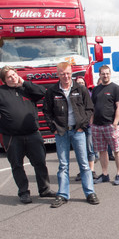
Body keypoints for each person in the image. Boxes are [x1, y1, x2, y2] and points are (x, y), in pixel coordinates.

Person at [0, 66, 54, 204]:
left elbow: (43, 92)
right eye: (9, 77)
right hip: (12, 136)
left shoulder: (26, 89)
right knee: (17, 165)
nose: (12, 78)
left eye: (13, 75)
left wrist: (24, 83)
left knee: (40, 163)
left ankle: (45, 189)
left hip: (32, 133)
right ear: (4, 80)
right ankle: (24, 193)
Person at [42, 62, 99, 208]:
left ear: (71, 72)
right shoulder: (52, 91)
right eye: (62, 74)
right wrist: (53, 128)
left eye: (67, 73)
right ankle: (62, 195)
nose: (65, 76)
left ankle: (90, 192)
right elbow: (47, 111)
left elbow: (89, 109)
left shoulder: (80, 89)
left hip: (78, 131)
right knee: (63, 165)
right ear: (58, 74)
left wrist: (82, 126)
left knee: (85, 164)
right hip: (61, 132)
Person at [91, 65, 119, 185]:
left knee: (116, 150)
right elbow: (93, 108)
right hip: (97, 126)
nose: (105, 76)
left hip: (110, 125)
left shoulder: (116, 88)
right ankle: (104, 174)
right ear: (99, 74)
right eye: (103, 74)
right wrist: (91, 123)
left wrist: (115, 123)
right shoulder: (95, 90)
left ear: (110, 74)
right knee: (102, 151)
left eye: (107, 73)